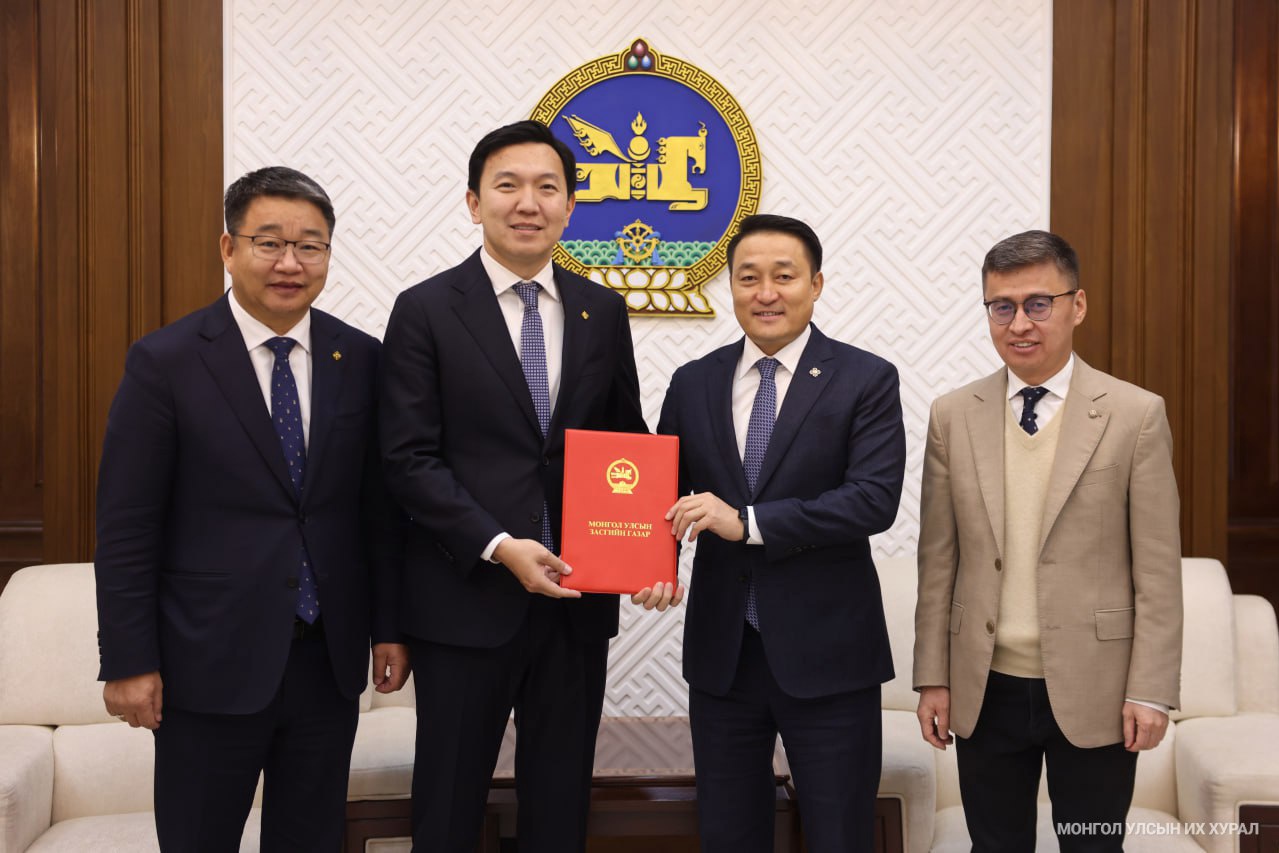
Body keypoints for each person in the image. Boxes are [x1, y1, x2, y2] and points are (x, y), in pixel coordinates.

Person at [380, 119, 676, 853]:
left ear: (570, 207)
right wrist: (498, 543)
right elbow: (408, 459)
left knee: (560, 805)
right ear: (473, 202)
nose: (527, 203)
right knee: (448, 807)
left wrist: (651, 550)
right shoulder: (425, 309)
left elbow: (624, 443)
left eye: (547, 187)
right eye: (507, 185)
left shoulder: (601, 310)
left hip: (575, 602)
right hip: (464, 599)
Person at [95, 166, 407, 851]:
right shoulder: (166, 361)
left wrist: (389, 626)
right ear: (228, 248)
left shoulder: (360, 358)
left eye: (310, 245)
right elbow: (126, 526)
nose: (290, 263)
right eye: (269, 242)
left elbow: (377, 513)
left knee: (311, 839)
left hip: (326, 660)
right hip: (208, 660)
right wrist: (128, 659)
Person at [913, 229, 1183, 851]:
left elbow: (1158, 570)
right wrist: (933, 676)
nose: (1019, 324)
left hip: (1098, 685)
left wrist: (1150, 690)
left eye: (1039, 304)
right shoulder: (953, 415)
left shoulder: (1135, 414)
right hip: (984, 685)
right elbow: (938, 560)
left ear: (1077, 305)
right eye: (1001, 307)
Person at [654, 214, 906, 852]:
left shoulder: (866, 379)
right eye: (748, 278)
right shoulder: (693, 383)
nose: (765, 292)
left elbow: (872, 500)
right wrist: (648, 564)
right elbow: (662, 494)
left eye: (784, 276)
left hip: (831, 656)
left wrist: (748, 524)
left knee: (839, 837)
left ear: (815, 285)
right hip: (724, 657)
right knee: (728, 835)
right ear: (731, 287)